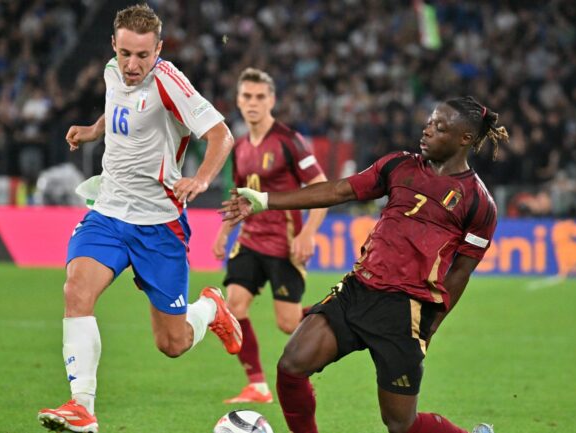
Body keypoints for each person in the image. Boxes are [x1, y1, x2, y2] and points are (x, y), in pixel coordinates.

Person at [222, 96, 509, 433]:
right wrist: (266, 202)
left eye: (439, 127)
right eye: (429, 122)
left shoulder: (479, 203)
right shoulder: (398, 166)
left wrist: (431, 326)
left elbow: (461, 272)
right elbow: (339, 190)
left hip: (406, 311)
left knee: (401, 424)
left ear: (465, 139)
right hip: (358, 289)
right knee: (292, 364)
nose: (427, 130)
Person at [37, 5, 241, 433]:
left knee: (173, 343)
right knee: (76, 290)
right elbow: (118, 107)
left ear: (159, 50)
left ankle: (209, 308)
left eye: (143, 56)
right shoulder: (113, 70)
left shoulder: (169, 82)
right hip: (108, 213)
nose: (132, 65)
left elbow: (221, 134)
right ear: (114, 45)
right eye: (126, 53)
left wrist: (202, 180)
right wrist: (94, 131)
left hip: (158, 225)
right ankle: (82, 408)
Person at [212, 68, 328, 404]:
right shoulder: (242, 146)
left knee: (288, 323)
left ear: (272, 100)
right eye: (247, 96)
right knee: (234, 306)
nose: (252, 103)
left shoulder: (289, 141)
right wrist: (224, 232)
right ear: (238, 100)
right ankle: (258, 385)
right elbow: (240, 196)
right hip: (250, 240)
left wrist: (308, 232)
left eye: (260, 97)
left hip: (283, 244)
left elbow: (322, 188)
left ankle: (334, 320)